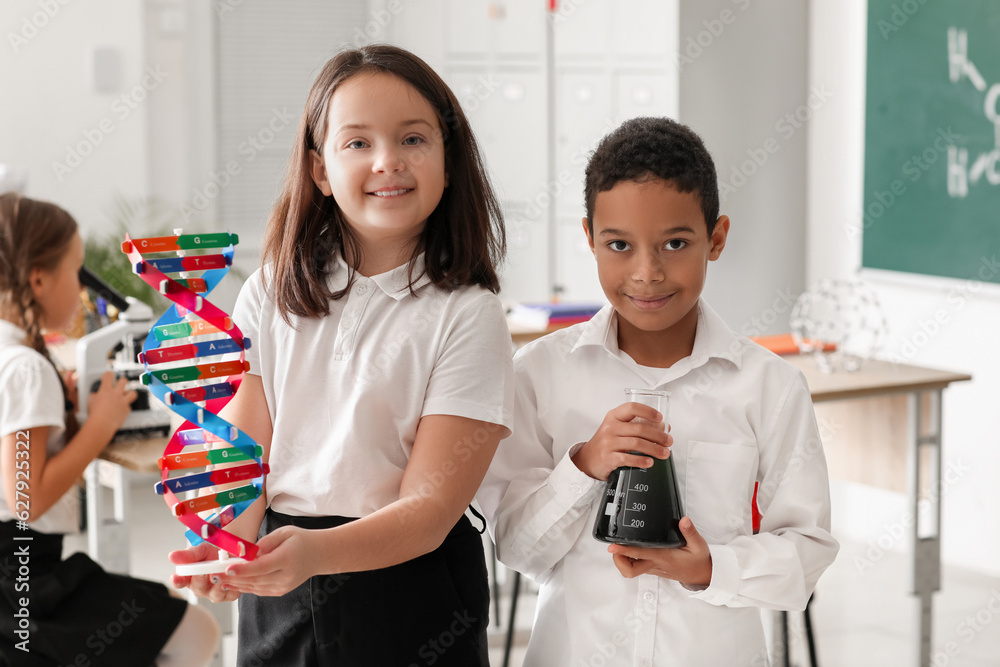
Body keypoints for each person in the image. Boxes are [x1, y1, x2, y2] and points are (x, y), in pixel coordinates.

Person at [169, 44, 514, 666]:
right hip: (282, 579)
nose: (388, 161)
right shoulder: (270, 289)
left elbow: (429, 511)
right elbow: (246, 459)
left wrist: (313, 556)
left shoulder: (469, 312)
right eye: (357, 143)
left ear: (449, 162)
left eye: (413, 139)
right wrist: (220, 547)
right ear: (320, 170)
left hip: (412, 588)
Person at [479, 117, 840, 666]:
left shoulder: (770, 386)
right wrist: (583, 466)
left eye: (675, 243)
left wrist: (710, 568)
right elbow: (517, 547)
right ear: (590, 240)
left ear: (716, 239)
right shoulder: (540, 374)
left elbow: (807, 553)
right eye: (619, 245)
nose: (647, 273)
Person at [0, 193, 220, 666]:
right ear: (39, 279)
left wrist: (71, 414)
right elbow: (27, 497)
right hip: (19, 581)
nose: (84, 290)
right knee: (197, 632)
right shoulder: (24, 368)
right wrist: (98, 427)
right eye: (76, 270)